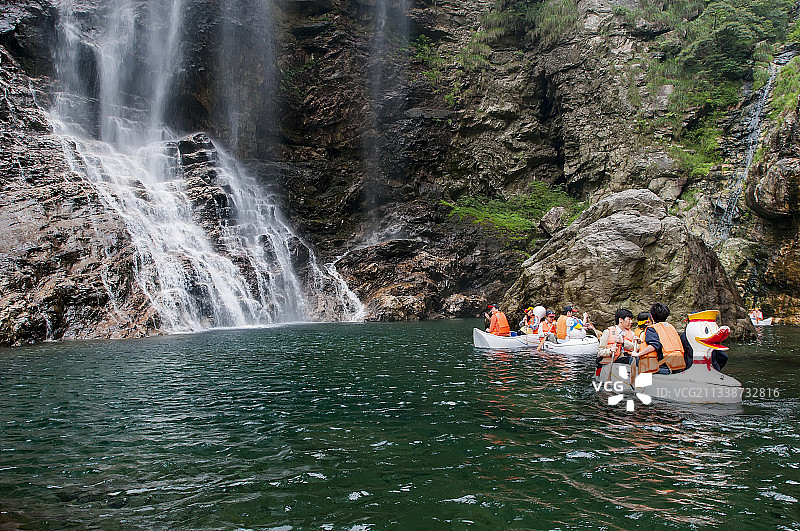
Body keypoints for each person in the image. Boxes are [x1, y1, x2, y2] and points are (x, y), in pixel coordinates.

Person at [635, 302, 686, 374]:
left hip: (664, 366)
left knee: (635, 361)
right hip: (679, 365)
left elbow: (654, 345)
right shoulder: (670, 327)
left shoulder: (652, 328)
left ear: (651, 317)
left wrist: (638, 354)